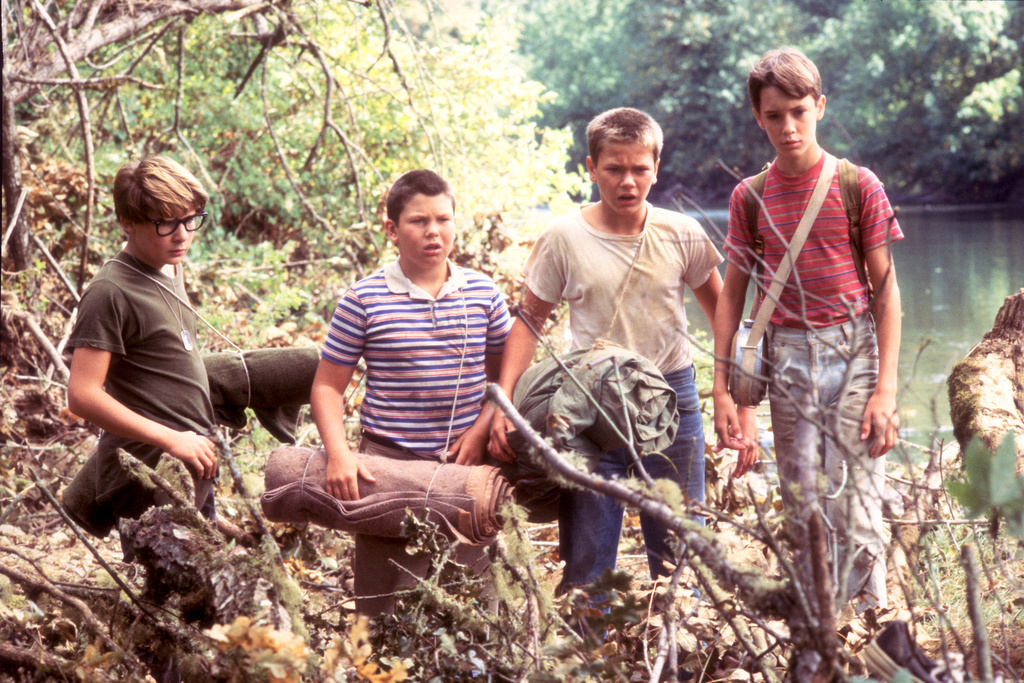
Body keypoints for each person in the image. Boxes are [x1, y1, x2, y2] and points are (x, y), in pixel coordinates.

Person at [488, 108, 747, 595]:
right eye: (614, 169)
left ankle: (680, 649)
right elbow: (529, 322)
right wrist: (504, 404)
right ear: (591, 167)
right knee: (589, 550)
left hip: (670, 394)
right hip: (590, 401)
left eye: (639, 169)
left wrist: (731, 394)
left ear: (657, 167)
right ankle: (592, 648)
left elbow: (723, 317)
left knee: (680, 545)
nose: (628, 182)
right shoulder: (563, 237)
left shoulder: (682, 232)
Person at [712, 47, 903, 611]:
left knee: (860, 500)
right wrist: (723, 388)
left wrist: (886, 389)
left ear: (819, 106)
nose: (788, 126)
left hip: (855, 351)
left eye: (799, 110)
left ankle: (870, 627)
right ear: (758, 117)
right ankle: (820, 626)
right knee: (804, 504)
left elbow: (887, 294)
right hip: (787, 357)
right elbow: (731, 298)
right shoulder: (748, 197)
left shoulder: (856, 184)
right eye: (775, 115)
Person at [310, 169, 511, 611]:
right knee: (383, 604)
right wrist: (340, 455)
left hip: (465, 464)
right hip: (387, 465)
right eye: (419, 221)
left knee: (474, 606)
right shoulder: (364, 299)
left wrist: (480, 430)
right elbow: (326, 387)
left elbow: (502, 381)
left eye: (443, 219)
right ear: (392, 230)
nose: (433, 232)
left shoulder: (482, 293)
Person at [65, 155, 218, 540]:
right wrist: (171, 438)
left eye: (190, 219)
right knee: (170, 597)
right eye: (165, 223)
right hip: (145, 476)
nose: (182, 235)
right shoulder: (109, 292)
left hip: (191, 461)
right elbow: (82, 395)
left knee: (213, 592)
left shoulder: (168, 264)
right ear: (127, 223)